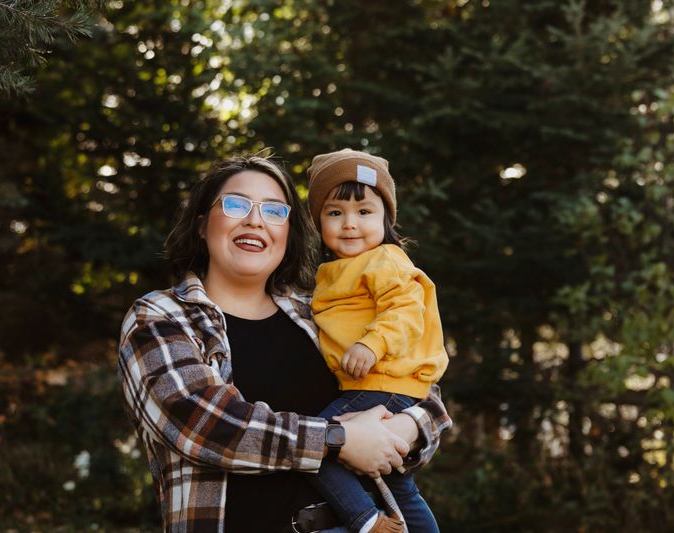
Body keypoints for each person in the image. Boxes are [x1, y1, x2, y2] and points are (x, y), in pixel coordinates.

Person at [117, 155, 452, 533]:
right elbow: (201, 424)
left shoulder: (316, 314)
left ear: (288, 231)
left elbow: (420, 392)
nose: (255, 220)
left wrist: (407, 428)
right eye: (236, 204)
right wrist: (337, 440)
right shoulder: (161, 317)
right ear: (200, 224)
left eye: (274, 210)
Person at [304, 149, 449, 533]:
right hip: (378, 385)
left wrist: (371, 345)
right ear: (318, 222)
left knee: (317, 446)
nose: (350, 224)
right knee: (398, 481)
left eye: (364, 212)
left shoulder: (384, 259)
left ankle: (366, 521)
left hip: (380, 382)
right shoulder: (331, 271)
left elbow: (405, 309)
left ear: (386, 219)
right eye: (335, 213)